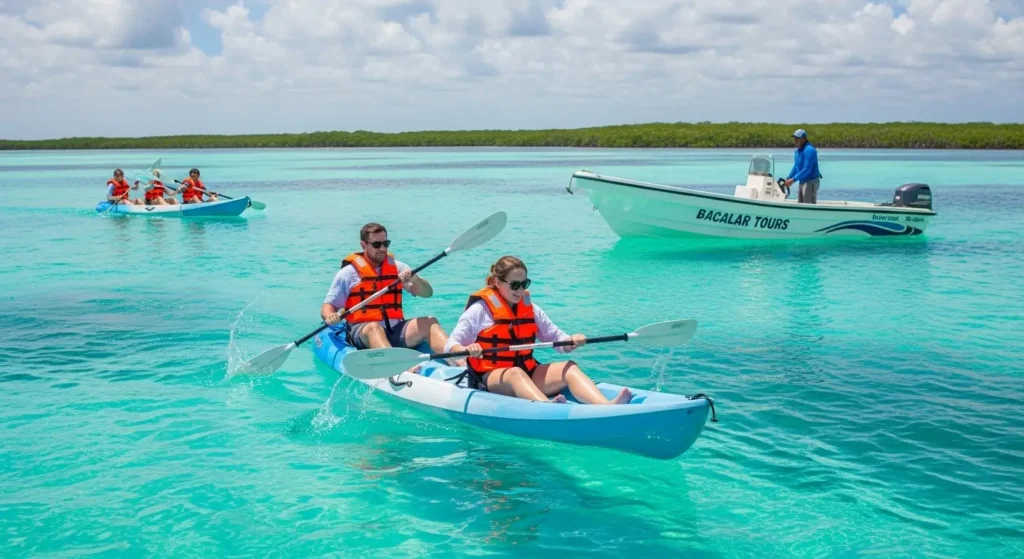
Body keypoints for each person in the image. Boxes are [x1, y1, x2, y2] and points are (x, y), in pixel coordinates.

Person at [444, 255, 633, 405]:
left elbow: (557, 338)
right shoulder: (480, 310)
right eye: (514, 285)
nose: (520, 290)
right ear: (497, 282)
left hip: (527, 372)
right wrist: (467, 349)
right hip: (490, 379)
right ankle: (547, 408)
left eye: (524, 284)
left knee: (569, 367)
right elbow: (450, 345)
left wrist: (572, 341)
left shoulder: (531, 309)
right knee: (514, 373)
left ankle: (605, 406)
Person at [321, 222, 452, 358]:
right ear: (363, 245)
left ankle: (461, 363)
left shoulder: (398, 268)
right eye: (377, 245)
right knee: (374, 328)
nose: (383, 248)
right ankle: (398, 369)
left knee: (430, 322)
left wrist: (414, 279)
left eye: (386, 243)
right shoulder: (348, 274)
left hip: (395, 330)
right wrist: (331, 316)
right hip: (363, 332)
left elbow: (427, 293)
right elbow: (328, 306)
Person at [783, 129, 823, 204]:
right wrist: (788, 177)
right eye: (794, 138)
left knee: (808, 206)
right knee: (800, 204)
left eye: (798, 138)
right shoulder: (798, 151)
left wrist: (793, 180)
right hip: (802, 180)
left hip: (811, 181)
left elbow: (807, 169)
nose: (795, 140)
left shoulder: (809, 150)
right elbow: (796, 167)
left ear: (804, 139)